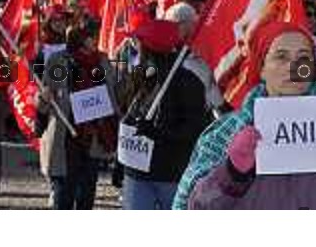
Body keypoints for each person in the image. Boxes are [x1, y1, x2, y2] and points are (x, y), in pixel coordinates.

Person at [173, 21, 316, 210]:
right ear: (262, 68)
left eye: (303, 57)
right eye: (281, 56)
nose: (294, 66)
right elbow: (196, 207)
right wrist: (231, 174)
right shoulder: (225, 132)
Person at [120, 20, 210, 209]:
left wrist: (158, 133)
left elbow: (195, 129)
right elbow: (127, 111)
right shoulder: (140, 74)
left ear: (149, 47)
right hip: (136, 173)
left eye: (138, 42)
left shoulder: (187, 82)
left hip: (169, 174)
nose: (133, 46)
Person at [36, 20, 120, 210]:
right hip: (66, 137)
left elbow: (112, 95)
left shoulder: (103, 61)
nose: (96, 40)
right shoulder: (58, 61)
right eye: (92, 37)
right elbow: (45, 98)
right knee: (64, 195)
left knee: (87, 194)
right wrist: (43, 99)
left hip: (93, 138)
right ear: (81, 39)